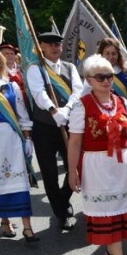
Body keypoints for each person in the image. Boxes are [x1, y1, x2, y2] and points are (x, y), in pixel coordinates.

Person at [67, 55, 127, 255]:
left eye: (110, 76)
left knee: (120, 208)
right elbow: (75, 141)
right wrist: (72, 171)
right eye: (100, 77)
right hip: (97, 167)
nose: (106, 80)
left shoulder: (121, 101)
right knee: (108, 212)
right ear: (89, 80)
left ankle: (112, 248)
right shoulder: (81, 105)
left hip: (122, 164)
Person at [0, 45, 39, 243]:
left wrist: (28, 138)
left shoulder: (11, 86)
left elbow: (22, 114)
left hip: (13, 140)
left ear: (1, 62)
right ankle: (5, 221)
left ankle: (27, 227)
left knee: (18, 182)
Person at [26, 31, 83, 231]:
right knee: (50, 173)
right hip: (44, 127)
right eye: (49, 44)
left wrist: (66, 109)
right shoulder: (35, 68)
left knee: (74, 167)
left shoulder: (70, 67)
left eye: (57, 44)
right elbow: (38, 93)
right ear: (41, 46)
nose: (54, 48)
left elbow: (78, 90)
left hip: (69, 123)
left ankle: (61, 199)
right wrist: (53, 110)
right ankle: (61, 213)